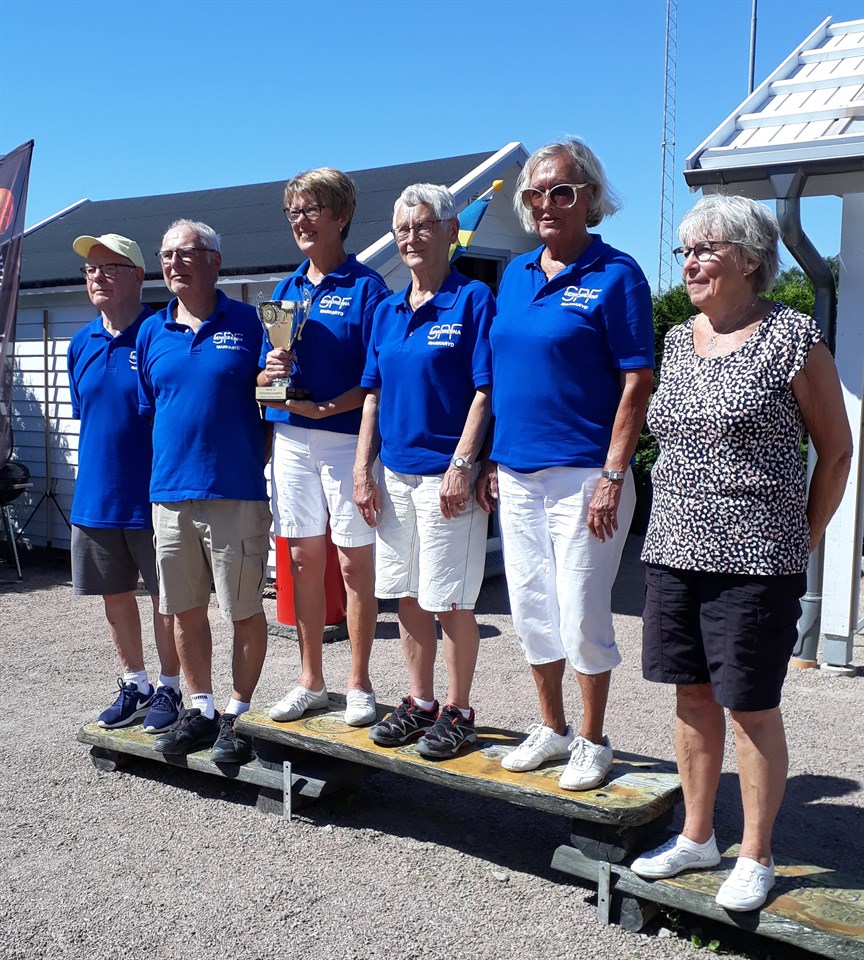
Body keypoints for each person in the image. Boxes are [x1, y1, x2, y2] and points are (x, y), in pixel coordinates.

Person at [629, 195, 852, 912]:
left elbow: (836, 450)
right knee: (690, 695)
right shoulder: (676, 339)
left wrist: (804, 536)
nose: (689, 263)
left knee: (749, 706)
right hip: (672, 549)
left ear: (750, 259)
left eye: (706, 249)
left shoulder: (790, 337)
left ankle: (756, 852)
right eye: (684, 251)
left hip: (756, 560)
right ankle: (696, 836)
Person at [478, 139, 654, 791]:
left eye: (562, 191)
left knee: (580, 608)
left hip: (585, 475)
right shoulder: (516, 275)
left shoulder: (618, 274)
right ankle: (551, 728)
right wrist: (492, 458)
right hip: (517, 471)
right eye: (535, 193)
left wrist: (612, 475)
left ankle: (592, 738)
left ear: (590, 199)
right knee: (530, 606)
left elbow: (636, 382)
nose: (546, 203)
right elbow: (504, 374)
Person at [354, 183, 495, 758]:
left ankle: (460, 712)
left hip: (445, 477)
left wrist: (463, 464)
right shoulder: (386, 310)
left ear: (449, 230)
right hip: (395, 475)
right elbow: (372, 395)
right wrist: (363, 468)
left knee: (449, 600)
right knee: (407, 594)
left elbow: (485, 391)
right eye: (402, 228)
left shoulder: (473, 299)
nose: (411, 237)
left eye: (423, 225)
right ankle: (420, 702)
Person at [257, 169, 389, 727]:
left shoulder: (368, 289)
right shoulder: (285, 290)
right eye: (294, 212)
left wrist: (328, 409)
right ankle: (310, 679)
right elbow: (263, 382)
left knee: (354, 563)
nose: (301, 221)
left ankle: (359, 683)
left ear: (341, 216)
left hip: (345, 440)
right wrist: (270, 372)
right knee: (301, 560)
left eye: (312, 210)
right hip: (291, 437)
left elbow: (378, 380)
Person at [137, 220, 271, 764]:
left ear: (215, 260)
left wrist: (253, 458)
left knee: (243, 609)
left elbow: (274, 398)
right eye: (166, 254)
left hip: (235, 492)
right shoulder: (152, 331)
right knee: (184, 609)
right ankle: (201, 708)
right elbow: (153, 409)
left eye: (186, 252)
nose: (174, 263)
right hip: (170, 494)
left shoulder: (252, 323)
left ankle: (238, 714)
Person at [68, 233, 181, 733]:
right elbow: (90, 415)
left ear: (138, 276)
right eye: (91, 269)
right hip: (96, 497)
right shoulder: (80, 343)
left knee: (167, 599)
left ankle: (171, 687)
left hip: (155, 494)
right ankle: (135, 684)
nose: (98, 277)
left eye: (110, 268)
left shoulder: (160, 333)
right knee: (115, 595)